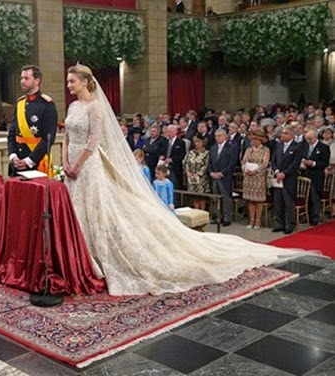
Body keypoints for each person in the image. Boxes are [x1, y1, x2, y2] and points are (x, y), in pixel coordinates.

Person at [62, 64, 304, 296]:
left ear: (85, 82)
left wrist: (78, 164)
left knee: (97, 209)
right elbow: (67, 137)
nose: (69, 84)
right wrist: (65, 162)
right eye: (68, 80)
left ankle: (97, 258)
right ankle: (78, 258)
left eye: (72, 80)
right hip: (72, 168)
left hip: (88, 165)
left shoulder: (95, 107)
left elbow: (93, 140)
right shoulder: (73, 107)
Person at [8, 65, 57, 176]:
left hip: (36, 164)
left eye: (26, 78)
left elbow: (48, 138)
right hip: (17, 165)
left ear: (37, 81)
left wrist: (29, 161)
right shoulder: (20, 103)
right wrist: (13, 155)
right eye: (21, 78)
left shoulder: (47, 105)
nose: (22, 81)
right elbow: (12, 133)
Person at [271, 126, 302, 234]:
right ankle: (280, 223)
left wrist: (284, 173)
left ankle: (290, 224)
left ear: (291, 135)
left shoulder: (297, 147)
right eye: (282, 133)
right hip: (278, 178)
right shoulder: (278, 145)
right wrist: (277, 172)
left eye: (285, 133)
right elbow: (273, 161)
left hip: (289, 179)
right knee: (278, 202)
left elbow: (295, 164)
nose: (282, 135)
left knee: (288, 202)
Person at [299, 128, 330, 225]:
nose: (308, 141)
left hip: (316, 176)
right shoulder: (303, 146)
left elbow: (325, 163)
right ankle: (305, 216)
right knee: (305, 198)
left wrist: (313, 163)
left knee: (314, 197)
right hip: (305, 175)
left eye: (310, 139)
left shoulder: (323, 147)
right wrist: (302, 164)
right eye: (307, 139)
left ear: (315, 137)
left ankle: (314, 217)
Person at [241, 130, 270, 229]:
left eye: (256, 140)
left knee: (258, 200)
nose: (254, 141)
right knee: (250, 200)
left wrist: (255, 171)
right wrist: (245, 168)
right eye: (252, 140)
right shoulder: (249, 149)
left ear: (260, 140)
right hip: (248, 178)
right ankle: (251, 220)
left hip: (258, 177)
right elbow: (244, 161)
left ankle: (258, 221)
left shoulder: (265, 150)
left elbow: (265, 163)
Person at [209, 129, 237, 226]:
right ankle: (217, 217)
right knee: (216, 197)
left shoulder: (231, 147)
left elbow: (232, 163)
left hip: (225, 177)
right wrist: (211, 172)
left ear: (225, 136)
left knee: (226, 198)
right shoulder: (213, 148)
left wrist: (222, 173)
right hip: (214, 176)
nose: (217, 137)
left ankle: (227, 217)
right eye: (216, 136)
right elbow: (210, 162)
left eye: (220, 136)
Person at [184, 134, 210, 210]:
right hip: (191, 178)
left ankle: (202, 212)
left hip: (202, 179)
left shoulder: (206, 153)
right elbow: (186, 163)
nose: (197, 144)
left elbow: (206, 165)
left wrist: (198, 173)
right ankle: (196, 211)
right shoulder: (191, 152)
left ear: (203, 143)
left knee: (201, 197)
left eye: (199, 142)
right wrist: (188, 172)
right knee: (194, 197)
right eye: (196, 142)